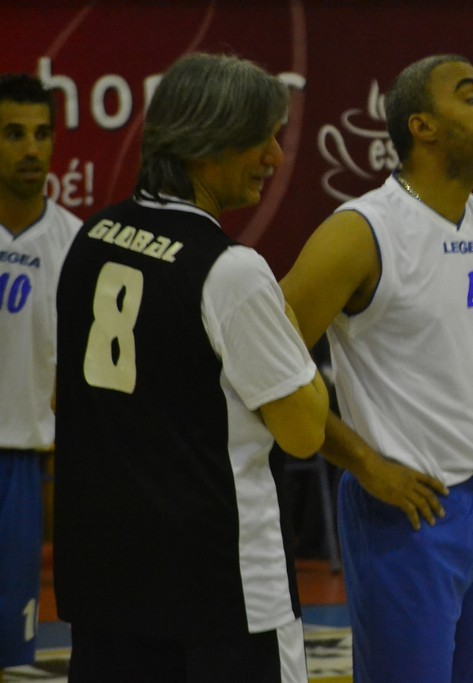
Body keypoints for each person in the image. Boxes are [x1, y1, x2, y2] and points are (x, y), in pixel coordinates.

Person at [53, 53, 328, 682]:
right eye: (261, 139)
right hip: (221, 596)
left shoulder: (90, 237)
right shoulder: (231, 270)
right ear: (208, 143)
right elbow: (305, 431)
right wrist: (286, 325)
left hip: (106, 585)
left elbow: (62, 399)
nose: (275, 157)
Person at [279, 54, 473, 682]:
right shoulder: (361, 231)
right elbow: (268, 364)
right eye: (471, 97)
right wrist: (365, 464)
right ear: (422, 127)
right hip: (405, 512)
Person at [0, 74, 80, 681]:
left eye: (41, 134)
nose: (31, 148)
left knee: (13, 656)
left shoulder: (76, 243)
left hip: (26, 466)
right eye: (13, 134)